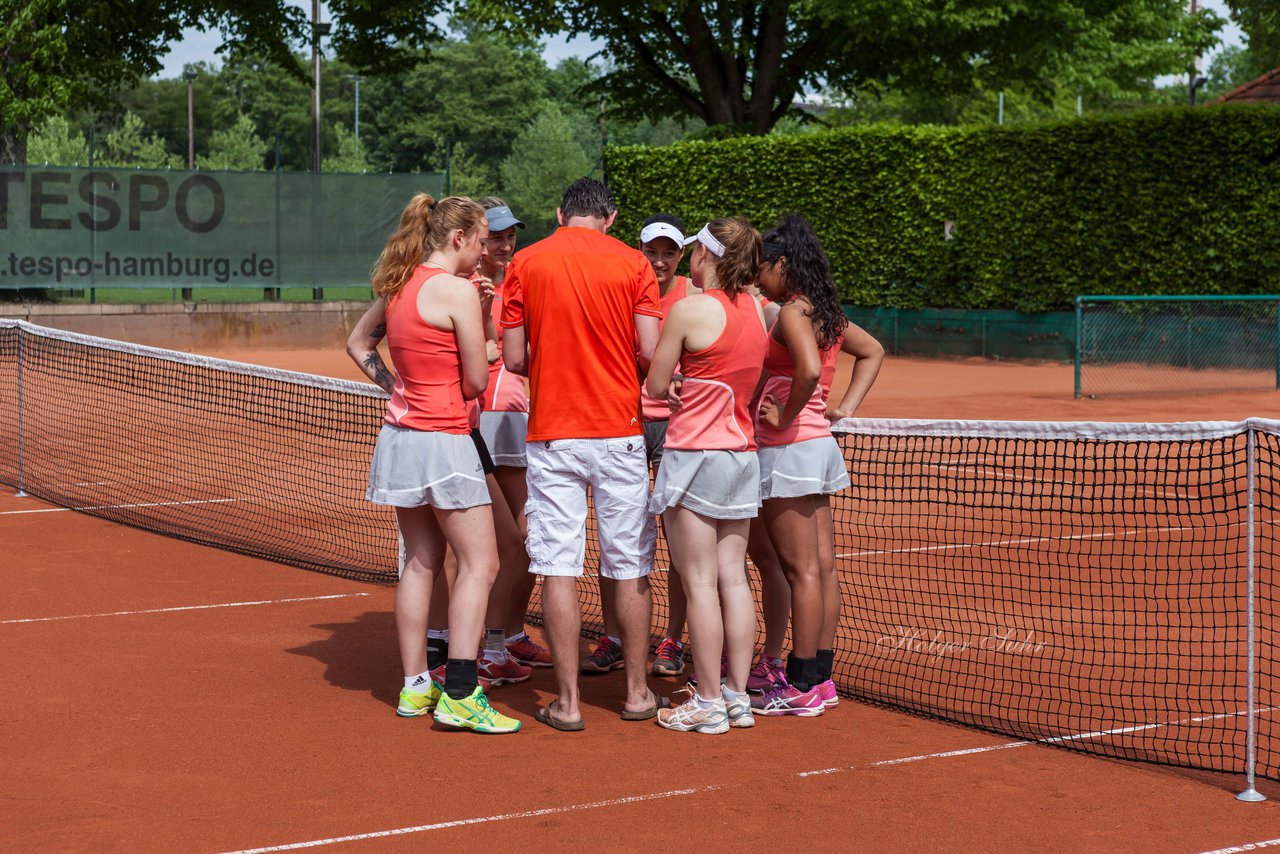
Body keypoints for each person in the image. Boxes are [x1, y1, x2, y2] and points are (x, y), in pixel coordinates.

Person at [501, 178, 662, 731]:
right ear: (611, 218)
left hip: (554, 433)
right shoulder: (635, 265)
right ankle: (638, 693)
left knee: (558, 568)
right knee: (630, 566)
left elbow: (516, 359)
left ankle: (567, 704)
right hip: (621, 431)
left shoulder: (525, 262)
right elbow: (647, 349)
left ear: (559, 213)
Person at [361, 192, 520, 733]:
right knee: (482, 564)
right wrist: (482, 326)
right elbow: (478, 379)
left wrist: (394, 386)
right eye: (480, 241)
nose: (484, 251)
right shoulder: (455, 291)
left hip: (401, 439)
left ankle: (414, 688)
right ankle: (460, 692)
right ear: (458, 239)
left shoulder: (398, 284)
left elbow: (362, 344)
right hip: (447, 442)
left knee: (421, 562)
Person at [751, 213, 883, 716]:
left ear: (784, 263)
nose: (760, 278)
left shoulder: (792, 312)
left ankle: (801, 682)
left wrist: (784, 414)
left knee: (800, 569)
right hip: (817, 445)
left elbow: (807, 368)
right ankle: (820, 678)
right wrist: (842, 407)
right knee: (822, 567)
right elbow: (872, 352)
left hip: (789, 448)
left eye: (764, 269)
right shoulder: (823, 309)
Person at [647, 218, 768, 733]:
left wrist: (678, 381)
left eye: (695, 248)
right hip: (741, 456)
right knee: (733, 580)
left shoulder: (688, 310)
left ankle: (710, 703)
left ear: (706, 256)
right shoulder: (761, 311)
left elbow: (655, 383)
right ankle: (736, 698)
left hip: (693, 457)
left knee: (698, 583)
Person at [586, 213, 700, 677]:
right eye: (651, 251)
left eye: (669, 252)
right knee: (617, 535)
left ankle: (671, 639)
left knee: (679, 541)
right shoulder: (624, 282)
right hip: (626, 423)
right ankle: (613, 636)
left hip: (678, 428)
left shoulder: (693, 295)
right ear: (638, 249)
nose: (659, 260)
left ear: (681, 254)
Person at [474, 197, 554, 670]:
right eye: (496, 236)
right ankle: (483, 645)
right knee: (497, 543)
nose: (506, 244)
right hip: (480, 423)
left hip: (524, 424)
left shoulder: (526, 280)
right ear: (477, 239)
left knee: (527, 540)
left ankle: (511, 633)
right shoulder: (468, 287)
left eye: (510, 235)